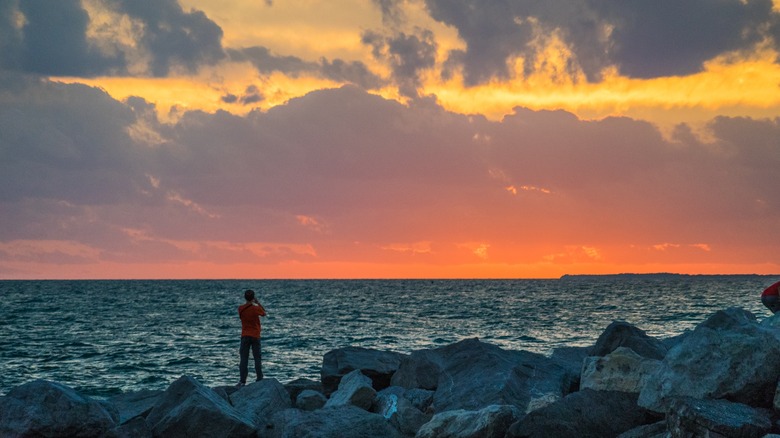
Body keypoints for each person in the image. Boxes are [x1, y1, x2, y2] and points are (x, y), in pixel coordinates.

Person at [237, 289, 267, 387]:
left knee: (244, 359)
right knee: (257, 358)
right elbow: (264, 313)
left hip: (245, 335)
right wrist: (257, 303)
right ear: (253, 297)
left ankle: (242, 381)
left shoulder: (241, 308)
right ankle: (259, 378)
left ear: (245, 297)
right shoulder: (256, 308)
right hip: (255, 335)